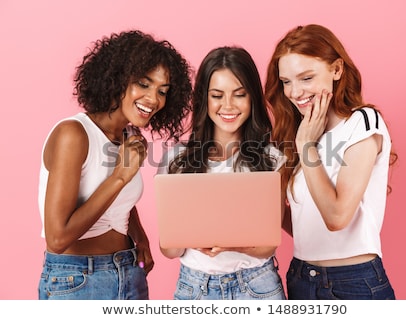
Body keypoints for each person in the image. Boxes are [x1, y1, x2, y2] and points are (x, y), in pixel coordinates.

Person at [38, 30, 193, 300]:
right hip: (76, 280)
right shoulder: (74, 134)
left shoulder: (129, 138)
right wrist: (120, 175)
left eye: (162, 91)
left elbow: (120, 203)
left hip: (129, 271)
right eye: (143, 84)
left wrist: (140, 237)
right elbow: (57, 238)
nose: (154, 99)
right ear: (118, 78)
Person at [264, 24, 397, 300]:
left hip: (354, 281)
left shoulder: (362, 123)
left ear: (336, 70)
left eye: (306, 78)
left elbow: (337, 217)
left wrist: (306, 147)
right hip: (301, 278)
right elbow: (301, 220)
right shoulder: (298, 131)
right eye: (286, 81)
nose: (295, 92)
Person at [157, 46, 286, 300]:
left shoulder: (272, 158)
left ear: (252, 99)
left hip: (257, 285)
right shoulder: (177, 159)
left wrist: (230, 244)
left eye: (239, 95)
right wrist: (194, 238)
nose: (228, 106)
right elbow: (169, 250)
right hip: (195, 287)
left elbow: (268, 245)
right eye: (217, 95)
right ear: (204, 99)